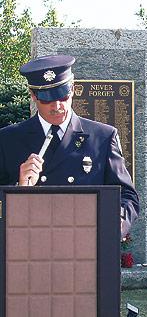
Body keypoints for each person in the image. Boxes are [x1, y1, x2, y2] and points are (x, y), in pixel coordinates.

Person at [0, 54, 139, 237]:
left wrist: (116, 223)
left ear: (73, 89)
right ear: (33, 95)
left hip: (85, 245)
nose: (57, 106)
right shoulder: (9, 139)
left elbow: (127, 197)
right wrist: (18, 188)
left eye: (63, 95)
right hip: (30, 247)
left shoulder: (103, 137)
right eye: (47, 98)